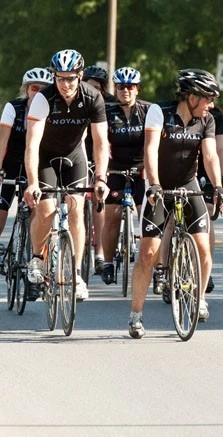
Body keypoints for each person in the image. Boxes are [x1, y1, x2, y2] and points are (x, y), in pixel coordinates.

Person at [128, 69, 223, 339]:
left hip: (187, 183)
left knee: (204, 247)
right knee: (149, 253)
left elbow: (210, 155)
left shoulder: (206, 120)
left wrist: (217, 186)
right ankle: (136, 315)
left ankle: (200, 298)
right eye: (207, 98)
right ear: (191, 97)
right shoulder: (160, 112)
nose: (211, 105)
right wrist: (155, 185)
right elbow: (150, 150)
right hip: (160, 185)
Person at [24, 49, 110, 302]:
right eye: (60, 78)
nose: (65, 84)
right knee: (46, 209)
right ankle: (37, 258)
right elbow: (32, 144)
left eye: (71, 78)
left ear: (80, 76)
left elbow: (101, 142)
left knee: (76, 209)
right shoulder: (44, 98)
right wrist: (31, 183)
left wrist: (101, 178)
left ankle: (76, 274)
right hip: (46, 158)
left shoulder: (93, 97)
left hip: (75, 156)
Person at [0, 67, 53, 308]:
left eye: (44, 89)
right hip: (10, 167)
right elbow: (2, 141)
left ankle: (36, 275)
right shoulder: (13, 108)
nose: (38, 93)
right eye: (34, 88)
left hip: (35, 168)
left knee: (42, 220)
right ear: (26, 89)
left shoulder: (51, 110)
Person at [99, 67, 151, 285]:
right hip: (116, 169)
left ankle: (157, 268)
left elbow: (153, 144)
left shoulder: (148, 111)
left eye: (130, 86)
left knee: (148, 219)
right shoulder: (107, 112)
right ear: (116, 89)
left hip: (142, 169)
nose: (125, 90)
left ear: (137, 89)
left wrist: (149, 168)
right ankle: (108, 263)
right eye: (121, 87)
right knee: (111, 217)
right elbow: (99, 142)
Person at [81, 65, 118, 274]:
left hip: (102, 149)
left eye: (97, 87)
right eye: (88, 85)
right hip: (81, 150)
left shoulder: (111, 103)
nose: (92, 90)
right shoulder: (77, 99)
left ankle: (99, 252)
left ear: (103, 89)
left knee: (99, 198)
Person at [195, 104, 223, 294]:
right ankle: (165, 269)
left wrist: (222, 179)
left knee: (207, 213)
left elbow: (220, 149)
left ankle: (205, 269)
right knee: (171, 217)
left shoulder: (216, 117)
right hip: (181, 166)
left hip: (207, 167)